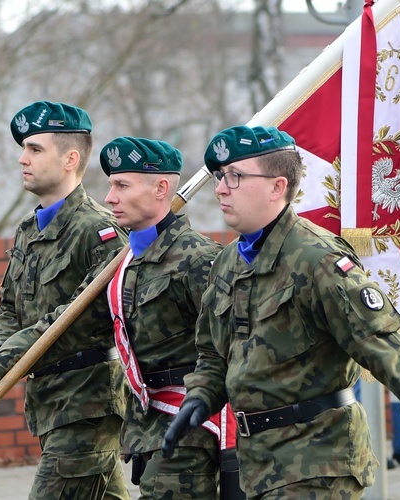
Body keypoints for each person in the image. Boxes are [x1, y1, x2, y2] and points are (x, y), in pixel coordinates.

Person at [161, 125, 400, 499]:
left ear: (277, 187)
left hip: (318, 463)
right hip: (257, 467)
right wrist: (200, 397)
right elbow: (213, 352)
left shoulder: (318, 259)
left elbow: (387, 351)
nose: (221, 188)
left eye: (235, 177)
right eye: (221, 177)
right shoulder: (228, 263)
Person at [0, 101, 131, 499]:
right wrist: (0, 367)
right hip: (50, 405)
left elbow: (68, 321)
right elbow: (8, 311)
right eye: (23, 149)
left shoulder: (100, 232)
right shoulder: (28, 229)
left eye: (35, 149)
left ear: (70, 159)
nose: (22, 159)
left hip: (87, 407)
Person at [100, 136, 244, 499]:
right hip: (149, 418)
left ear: (161, 188)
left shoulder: (197, 259)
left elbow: (236, 345)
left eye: (122, 185)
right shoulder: (124, 260)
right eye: (110, 185)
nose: (109, 197)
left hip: (193, 422)